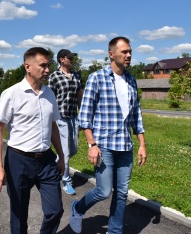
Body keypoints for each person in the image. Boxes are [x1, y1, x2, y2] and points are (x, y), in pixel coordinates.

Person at [69, 37, 147, 234]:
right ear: (111, 54)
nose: (129, 55)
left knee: (121, 194)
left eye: (130, 51)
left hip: (125, 146)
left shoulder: (131, 80)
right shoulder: (97, 78)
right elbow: (84, 116)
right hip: (103, 145)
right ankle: (78, 208)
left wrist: (142, 144)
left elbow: (136, 114)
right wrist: (91, 144)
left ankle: (114, 231)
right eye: (124, 52)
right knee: (104, 191)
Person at [0, 47, 66, 234]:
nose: (48, 69)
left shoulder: (49, 93)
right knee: (19, 215)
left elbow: (53, 127)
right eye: (43, 65)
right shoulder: (12, 93)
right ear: (28, 66)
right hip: (19, 160)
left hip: (46, 160)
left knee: (55, 211)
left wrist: (62, 157)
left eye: (49, 65)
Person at [48, 49, 83, 195]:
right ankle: (66, 181)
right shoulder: (54, 76)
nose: (72, 60)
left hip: (73, 117)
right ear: (62, 59)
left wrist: (82, 114)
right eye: (70, 58)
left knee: (73, 149)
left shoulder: (76, 75)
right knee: (66, 152)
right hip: (60, 118)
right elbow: (50, 98)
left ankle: (55, 165)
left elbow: (80, 95)